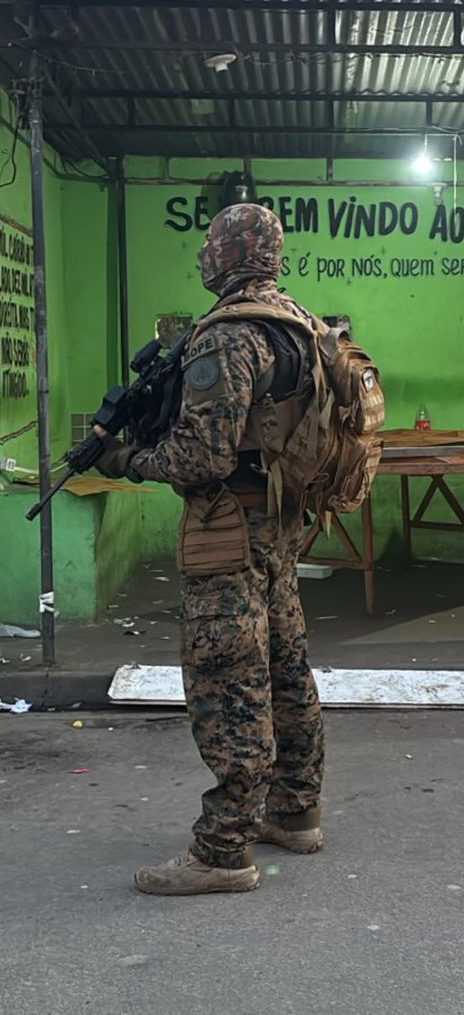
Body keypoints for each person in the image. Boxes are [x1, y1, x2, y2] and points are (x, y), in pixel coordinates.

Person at [95, 203, 325, 897]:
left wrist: (131, 461)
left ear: (227, 254)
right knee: (286, 667)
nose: (201, 255)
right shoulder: (302, 327)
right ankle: (295, 810)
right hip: (280, 522)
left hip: (229, 531)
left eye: (207, 244)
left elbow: (200, 457)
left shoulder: (227, 338)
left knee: (228, 680)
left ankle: (223, 851)